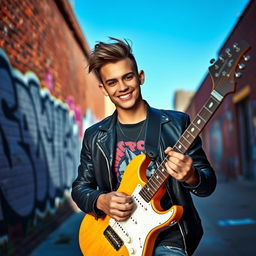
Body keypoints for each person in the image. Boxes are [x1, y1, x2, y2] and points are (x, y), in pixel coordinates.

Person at [71, 37, 216, 256]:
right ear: (104, 89)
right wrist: (101, 200)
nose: (122, 87)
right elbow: (80, 188)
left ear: (140, 77)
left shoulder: (177, 125)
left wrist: (191, 176)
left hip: (170, 237)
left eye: (127, 77)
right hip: (114, 237)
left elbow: (208, 185)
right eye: (112, 82)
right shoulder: (95, 136)